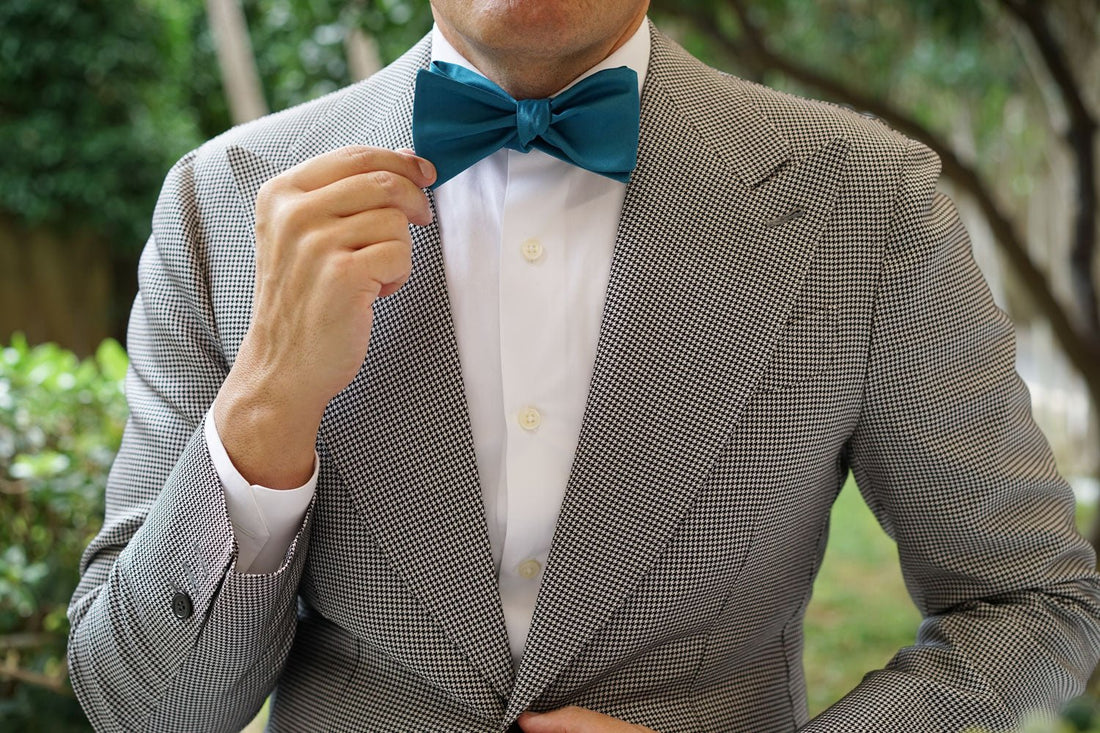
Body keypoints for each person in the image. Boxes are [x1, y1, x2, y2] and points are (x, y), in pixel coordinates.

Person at [68, 1, 1100, 731]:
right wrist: (268, 397)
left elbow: (1031, 602)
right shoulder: (219, 201)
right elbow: (144, 705)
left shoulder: (869, 203)